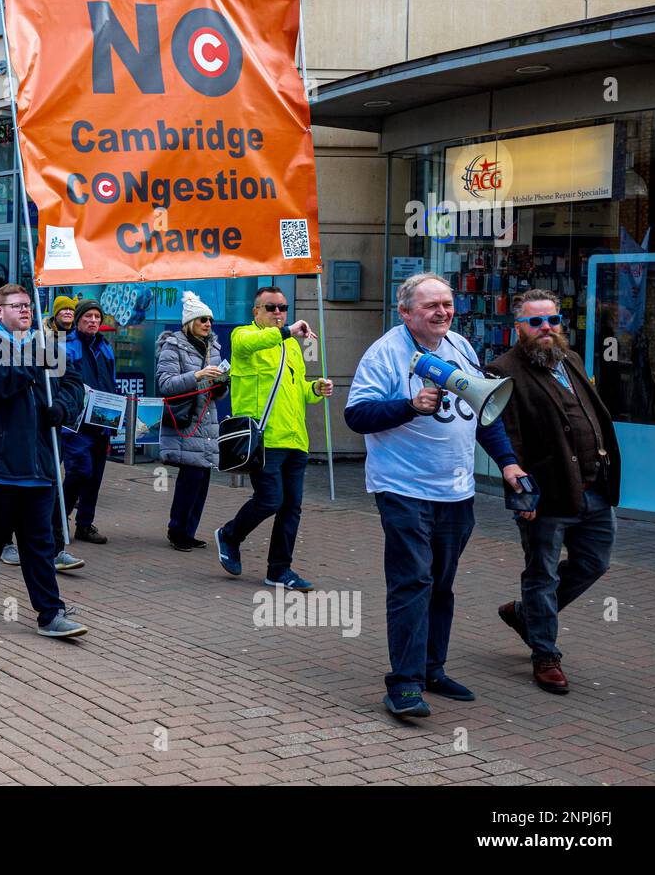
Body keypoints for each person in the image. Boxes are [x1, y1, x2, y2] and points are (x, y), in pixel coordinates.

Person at [345, 272, 528, 718]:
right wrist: (409, 406)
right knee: (413, 582)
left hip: (456, 491)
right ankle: (404, 684)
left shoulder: (460, 347)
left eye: (447, 303)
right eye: (431, 305)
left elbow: (484, 410)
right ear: (406, 312)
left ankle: (432, 668)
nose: (443, 312)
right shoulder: (385, 353)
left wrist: (507, 462)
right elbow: (356, 415)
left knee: (441, 585)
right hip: (403, 488)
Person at [486, 289, 619, 694]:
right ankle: (545, 655)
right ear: (518, 328)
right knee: (541, 572)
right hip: (547, 493)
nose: (546, 328)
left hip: (594, 488)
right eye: (535, 322)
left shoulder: (571, 359)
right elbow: (508, 439)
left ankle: (527, 615)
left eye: (553, 321)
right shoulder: (500, 371)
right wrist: (522, 496)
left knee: (594, 562)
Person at [0, 283, 90, 638]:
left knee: (39, 542)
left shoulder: (45, 345)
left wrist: (62, 407)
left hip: (41, 463)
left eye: (28, 305)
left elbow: (74, 383)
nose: (25, 311)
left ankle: (50, 613)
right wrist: (26, 363)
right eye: (16, 306)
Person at [214, 286, 334, 591]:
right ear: (256, 312)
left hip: (295, 439)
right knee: (270, 500)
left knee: (291, 507)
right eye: (271, 308)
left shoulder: (292, 346)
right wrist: (287, 333)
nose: (279, 313)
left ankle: (279, 570)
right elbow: (253, 342)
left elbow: (297, 389)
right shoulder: (243, 336)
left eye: (283, 308)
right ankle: (230, 535)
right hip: (264, 438)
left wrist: (315, 390)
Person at [158, 291, 227, 551]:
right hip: (185, 421)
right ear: (190, 323)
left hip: (207, 422)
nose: (208, 324)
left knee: (202, 480)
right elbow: (165, 384)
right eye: (202, 320)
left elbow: (216, 392)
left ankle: (189, 530)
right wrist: (197, 375)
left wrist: (221, 385)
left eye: (210, 320)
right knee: (191, 477)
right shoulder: (172, 346)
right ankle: (178, 530)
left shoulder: (214, 347)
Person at [61, 299, 117, 546]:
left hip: (102, 422)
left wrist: (115, 420)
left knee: (94, 477)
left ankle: (85, 524)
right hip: (76, 424)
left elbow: (112, 384)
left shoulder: (105, 347)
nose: (93, 321)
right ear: (78, 319)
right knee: (79, 471)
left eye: (97, 317)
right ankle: (58, 519)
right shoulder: (66, 346)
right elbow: (61, 384)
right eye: (88, 317)